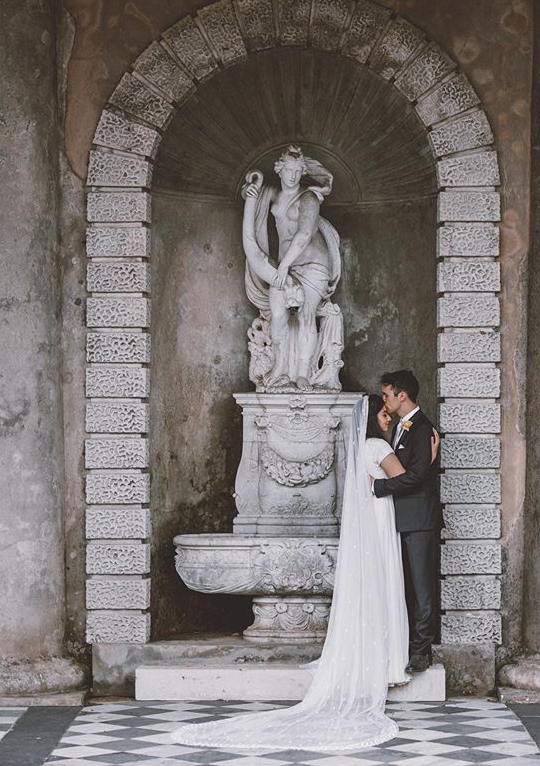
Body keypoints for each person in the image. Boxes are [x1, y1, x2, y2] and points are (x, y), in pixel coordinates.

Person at [172, 395, 438, 752]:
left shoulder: (358, 449)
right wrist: (431, 458)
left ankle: (372, 656)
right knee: (385, 587)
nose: (388, 417)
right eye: (384, 413)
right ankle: (387, 660)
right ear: (374, 419)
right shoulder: (377, 445)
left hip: (369, 528)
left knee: (370, 591)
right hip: (380, 527)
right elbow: (408, 479)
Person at [241, 145, 343, 390]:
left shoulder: (308, 197)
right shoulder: (274, 194)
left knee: (307, 315)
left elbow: (305, 233)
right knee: (277, 313)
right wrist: (250, 190)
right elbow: (251, 195)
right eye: (289, 169)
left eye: (298, 170)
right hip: (285, 268)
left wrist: (283, 267)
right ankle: (280, 369)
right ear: (280, 169)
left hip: (312, 264)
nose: (293, 175)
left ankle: (303, 374)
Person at [372, 369, 442, 673]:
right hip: (401, 518)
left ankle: (422, 651)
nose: (385, 400)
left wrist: (379, 487)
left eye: (388, 394)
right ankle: (407, 646)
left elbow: (415, 476)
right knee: (406, 586)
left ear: (402, 395)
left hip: (419, 519)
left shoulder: (423, 428)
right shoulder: (403, 426)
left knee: (422, 586)